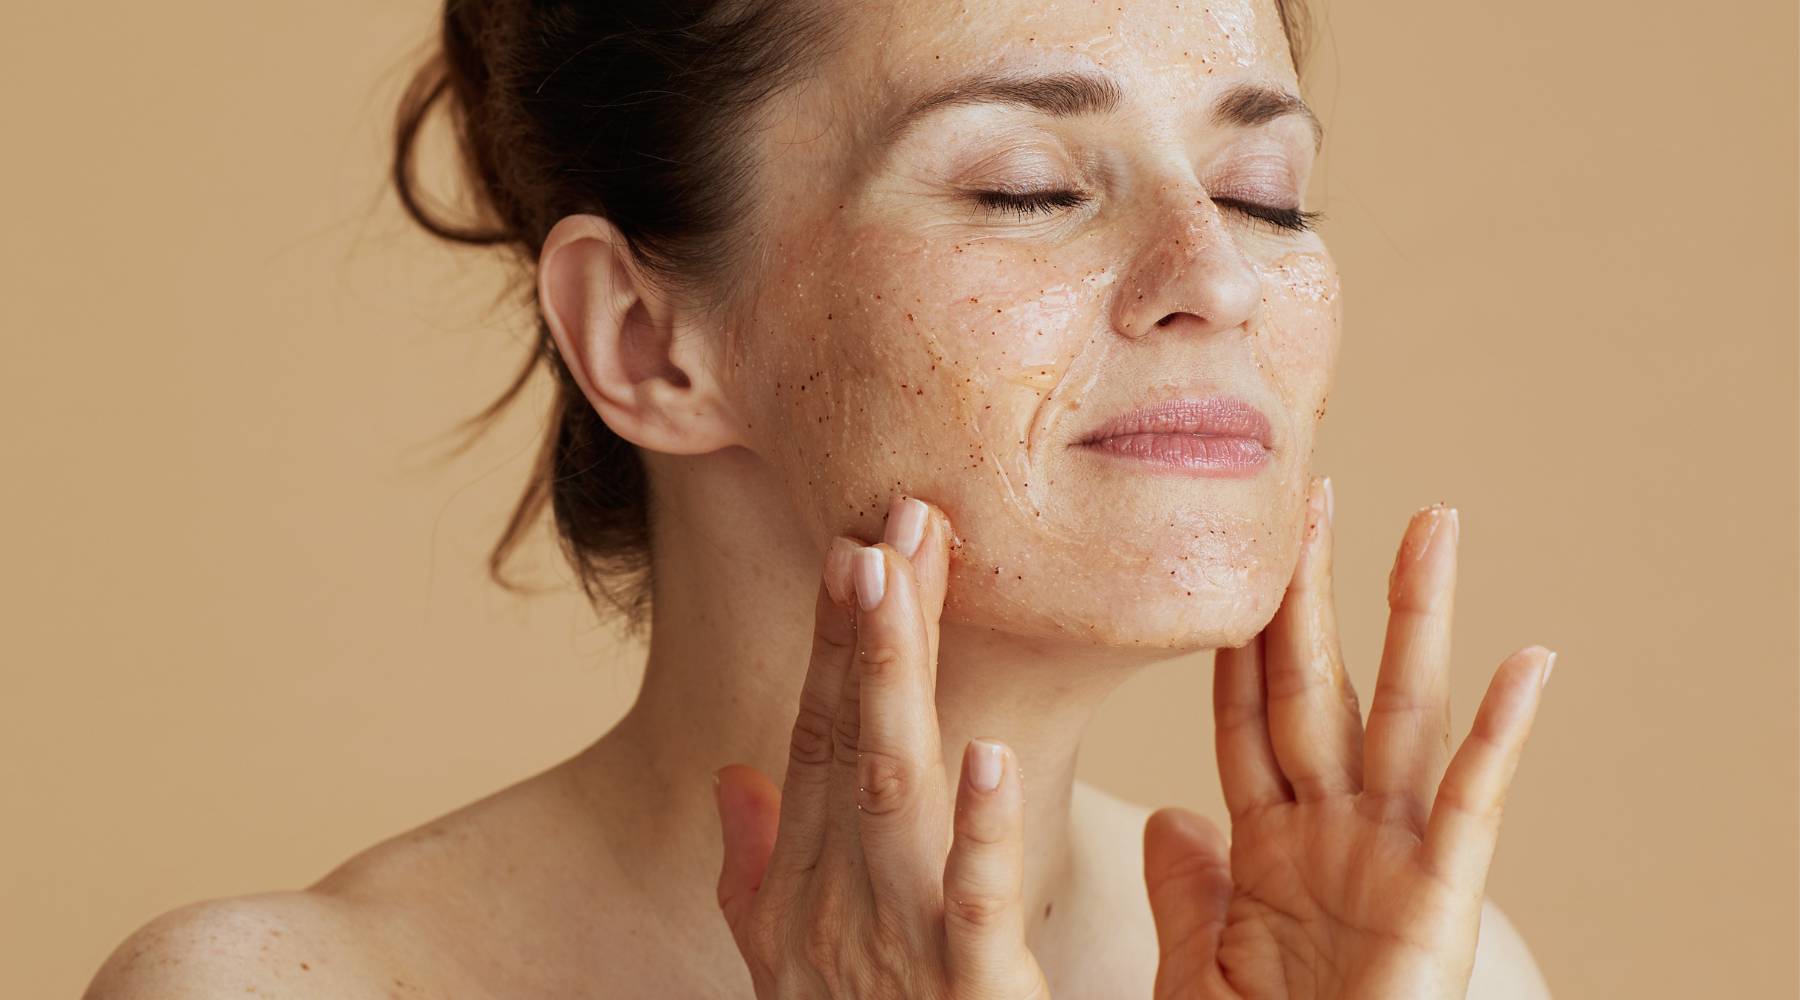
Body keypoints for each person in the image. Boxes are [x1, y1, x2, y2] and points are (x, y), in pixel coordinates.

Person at [84, 0, 1556, 996]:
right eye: (1028, 185)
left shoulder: (1427, 970)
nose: (1219, 275)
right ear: (645, 340)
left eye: (1264, 190)